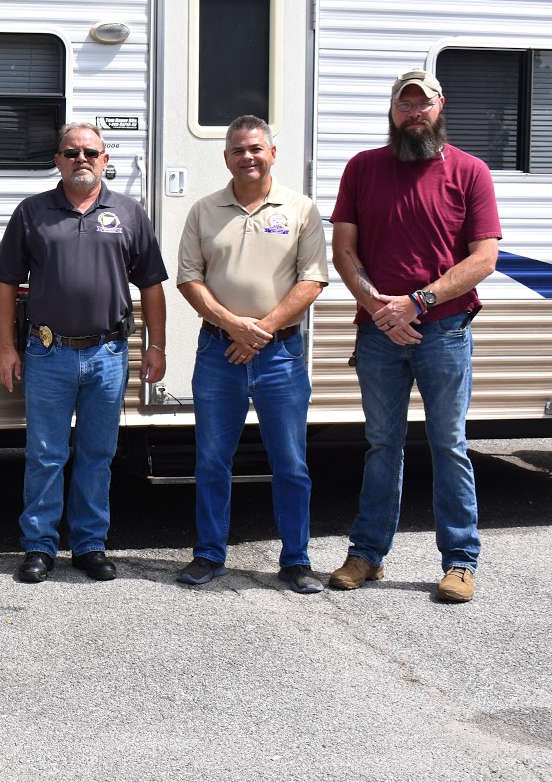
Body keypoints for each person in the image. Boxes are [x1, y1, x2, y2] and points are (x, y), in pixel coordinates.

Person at [328, 69, 501, 603]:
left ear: (439, 106)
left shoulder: (470, 171)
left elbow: (484, 258)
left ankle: (460, 562)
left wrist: (418, 302)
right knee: (383, 445)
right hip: (379, 333)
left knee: (449, 445)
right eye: (404, 105)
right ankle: (367, 555)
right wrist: (379, 308)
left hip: (445, 331)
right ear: (392, 110)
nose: (413, 113)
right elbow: (343, 250)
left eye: (422, 104)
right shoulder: (362, 168)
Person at [0, 122, 168, 583]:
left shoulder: (129, 212)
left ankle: (90, 544)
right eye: (71, 152)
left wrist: (157, 346)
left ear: (105, 159)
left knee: (97, 453)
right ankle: (39, 545)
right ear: (58, 161)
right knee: (45, 453)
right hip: (47, 352)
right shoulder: (32, 212)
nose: (81, 159)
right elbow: (6, 284)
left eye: (91, 151)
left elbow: (151, 285)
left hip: (108, 353)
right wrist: (6, 347)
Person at [174, 116, 328, 594]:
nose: (248, 157)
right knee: (211, 460)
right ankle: (208, 554)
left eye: (257, 148)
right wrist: (232, 325)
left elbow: (312, 280)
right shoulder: (203, 210)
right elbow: (188, 279)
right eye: (239, 150)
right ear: (226, 158)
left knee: (291, 463)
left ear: (273, 154)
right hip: (218, 351)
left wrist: (261, 329)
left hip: (280, 355)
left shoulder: (301, 209)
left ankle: (296, 560)